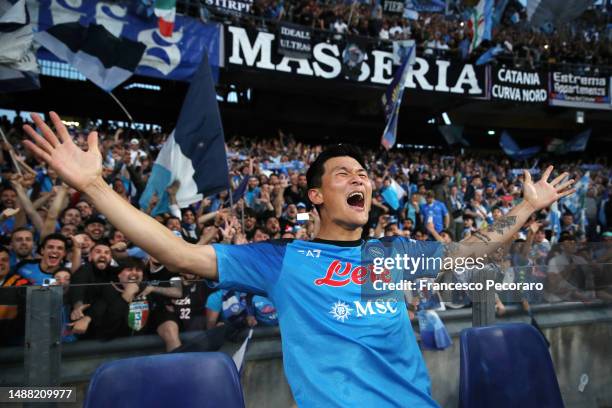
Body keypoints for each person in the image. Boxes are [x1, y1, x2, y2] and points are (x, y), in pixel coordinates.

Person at [23, 113, 575, 408]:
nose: (361, 178)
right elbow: (176, 252)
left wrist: (526, 207)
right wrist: (94, 185)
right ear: (315, 196)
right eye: (344, 173)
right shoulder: (280, 261)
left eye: (365, 173)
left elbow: (465, 255)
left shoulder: (390, 256)